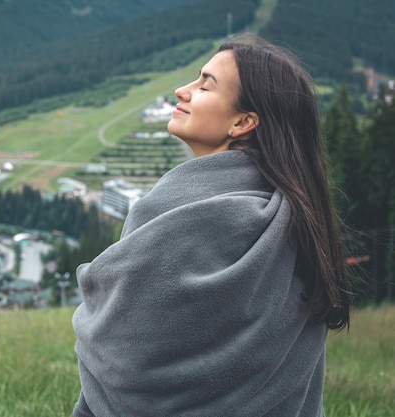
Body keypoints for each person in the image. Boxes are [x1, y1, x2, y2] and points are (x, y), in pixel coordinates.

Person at [72, 34, 351, 417]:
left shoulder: (173, 210)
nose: (182, 91)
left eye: (205, 85)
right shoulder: (298, 216)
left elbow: (117, 346)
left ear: (243, 121)